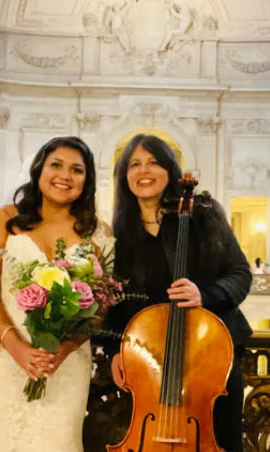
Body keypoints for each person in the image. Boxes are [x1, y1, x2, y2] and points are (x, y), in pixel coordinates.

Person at [102, 134, 252, 452]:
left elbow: (240, 274)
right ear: (124, 175)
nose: (144, 171)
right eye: (135, 164)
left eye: (154, 162)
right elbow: (116, 299)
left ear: (170, 169)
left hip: (208, 358)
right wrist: (115, 347)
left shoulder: (204, 215)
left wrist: (205, 295)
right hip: (150, 363)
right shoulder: (122, 230)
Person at [0, 136, 114, 452]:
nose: (65, 176)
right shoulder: (5, 221)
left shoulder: (100, 233)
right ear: (39, 170)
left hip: (65, 366)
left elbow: (100, 308)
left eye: (77, 170)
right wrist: (17, 348)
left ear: (87, 180)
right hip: (4, 360)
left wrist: (63, 349)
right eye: (56, 165)